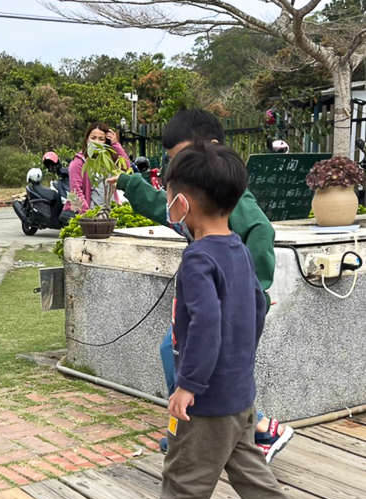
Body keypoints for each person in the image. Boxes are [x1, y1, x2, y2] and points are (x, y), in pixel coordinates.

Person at [109, 142, 315, 499]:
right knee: (248, 467)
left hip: (207, 396)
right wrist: (237, 367)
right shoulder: (238, 249)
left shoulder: (199, 259)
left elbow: (205, 325)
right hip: (239, 391)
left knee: (184, 473)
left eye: (168, 196)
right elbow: (257, 308)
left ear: (182, 203)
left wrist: (189, 383)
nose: (167, 205)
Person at [112, 109, 293, 461]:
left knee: (200, 358)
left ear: (208, 149)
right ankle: (218, 429)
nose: (173, 170)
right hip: (213, 296)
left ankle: (254, 429)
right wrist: (129, 184)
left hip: (229, 303)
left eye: (178, 158)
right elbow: (166, 209)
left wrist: (253, 289)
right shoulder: (192, 198)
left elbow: (262, 231)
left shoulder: (234, 200)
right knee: (178, 352)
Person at [68, 122, 131, 214]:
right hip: (92, 213)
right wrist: (87, 215)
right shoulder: (79, 162)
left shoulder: (108, 159)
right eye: (93, 138)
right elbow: (76, 192)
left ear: (106, 141)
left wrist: (115, 144)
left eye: (101, 139)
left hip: (111, 211)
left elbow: (126, 167)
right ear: (87, 139)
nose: (96, 142)